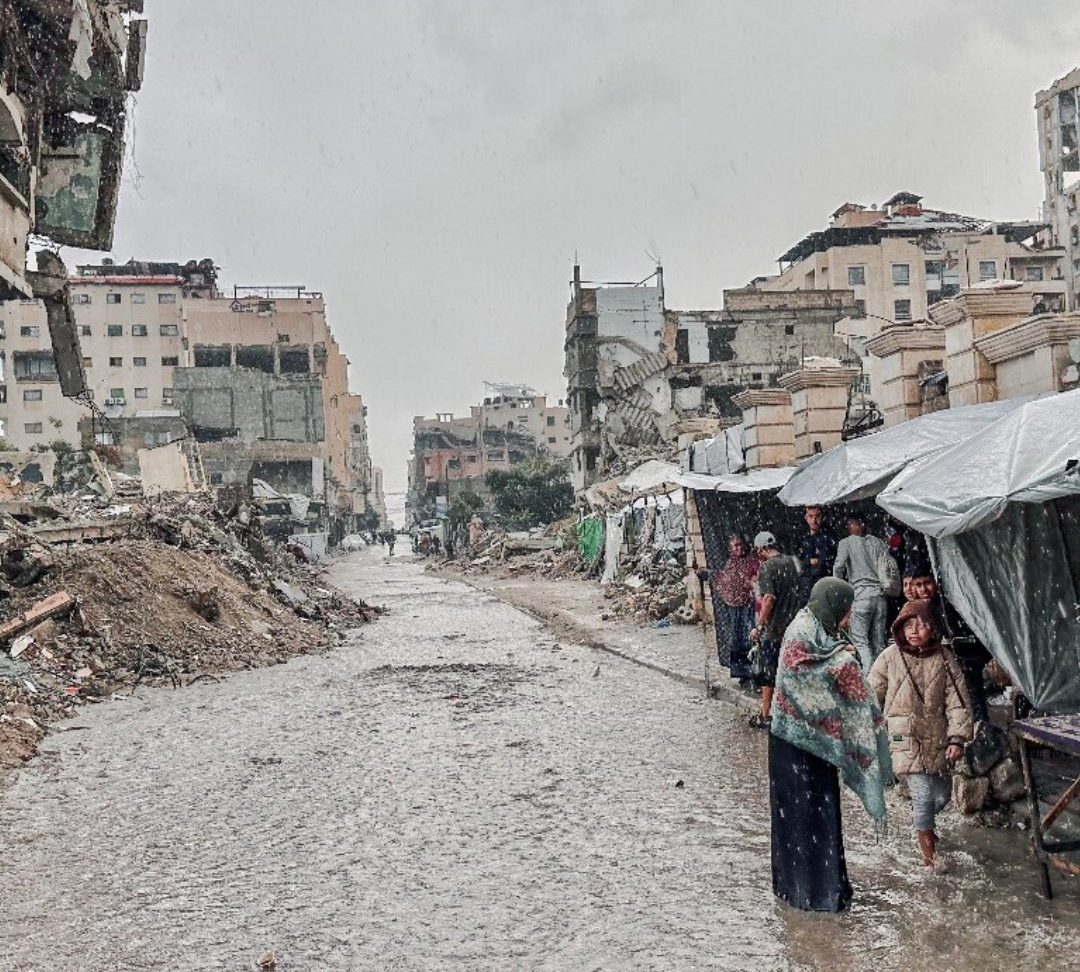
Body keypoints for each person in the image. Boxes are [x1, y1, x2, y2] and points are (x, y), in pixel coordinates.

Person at [770, 577, 892, 912]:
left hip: (820, 746)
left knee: (820, 814)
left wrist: (841, 657)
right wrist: (843, 662)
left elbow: (830, 662)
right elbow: (803, 679)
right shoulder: (800, 632)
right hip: (794, 744)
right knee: (801, 816)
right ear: (832, 605)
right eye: (846, 610)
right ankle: (809, 894)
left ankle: (825, 888)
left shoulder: (821, 629)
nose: (849, 618)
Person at [869, 600, 972, 868]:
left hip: (937, 736)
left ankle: (923, 823)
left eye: (922, 625)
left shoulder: (945, 660)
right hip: (902, 736)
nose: (914, 631)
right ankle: (929, 860)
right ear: (900, 629)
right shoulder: (889, 657)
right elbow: (871, 694)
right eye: (908, 626)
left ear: (933, 628)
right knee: (924, 796)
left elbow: (958, 702)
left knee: (941, 796)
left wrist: (957, 738)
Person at [907, 570, 991, 725]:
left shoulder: (946, 603)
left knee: (972, 698)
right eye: (918, 585)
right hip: (955, 658)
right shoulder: (925, 606)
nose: (923, 589)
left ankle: (980, 728)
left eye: (927, 583)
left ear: (935, 583)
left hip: (966, 656)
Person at [749, 532, 802, 728]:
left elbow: (769, 598)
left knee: (768, 673)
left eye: (757, 551)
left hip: (775, 629)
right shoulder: (793, 562)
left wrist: (760, 626)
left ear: (761, 549)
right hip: (795, 626)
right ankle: (792, 714)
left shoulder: (767, 568)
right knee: (792, 670)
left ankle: (766, 714)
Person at [832, 514, 889, 672]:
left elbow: (838, 567)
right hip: (880, 597)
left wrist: (839, 589)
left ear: (853, 525)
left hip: (861, 595)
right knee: (879, 643)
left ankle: (868, 678)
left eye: (850, 525)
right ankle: (882, 678)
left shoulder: (846, 543)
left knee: (861, 643)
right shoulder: (879, 543)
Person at [706, 534, 759, 684]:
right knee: (736, 640)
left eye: (740, 544)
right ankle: (742, 673)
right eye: (736, 545)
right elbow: (725, 579)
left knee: (750, 639)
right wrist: (706, 574)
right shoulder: (730, 563)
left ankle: (754, 673)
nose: (739, 548)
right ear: (730, 548)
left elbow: (754, 580)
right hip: (734, 608)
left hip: (749, 606)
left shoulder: (750, 561)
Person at [797, 506, 837, 603]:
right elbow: (795, 561)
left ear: (822, 517)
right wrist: (808, 562)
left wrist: (820, 561)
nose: (814, 520)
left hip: (824, 583)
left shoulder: (829, 537)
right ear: (806, 517)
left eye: (817, 516)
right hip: (805, 585)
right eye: (811, 516)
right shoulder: (800, 538)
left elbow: (833, 559)